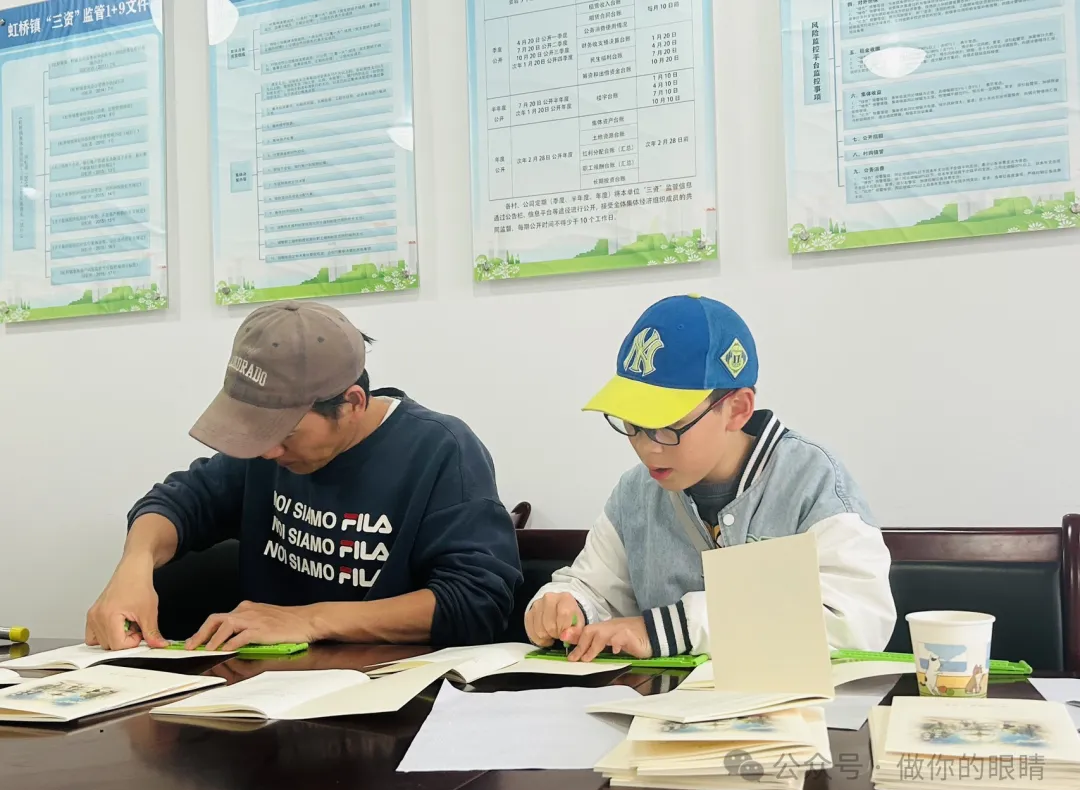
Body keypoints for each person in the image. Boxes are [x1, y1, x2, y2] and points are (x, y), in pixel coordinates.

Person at [86, 301, 522, 652]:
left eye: (285, 434)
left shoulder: (441, 450)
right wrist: (134, 566)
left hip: (389, 710)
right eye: (257, 433)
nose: (268, 451)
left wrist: (309, 619)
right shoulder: (263, 452)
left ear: (351, 402)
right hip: (265, 698)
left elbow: (476, 602)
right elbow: (177, 503)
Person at [524, 294, 896, 662]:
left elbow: (856, 623)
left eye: (667, 426)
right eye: (633, 424)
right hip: (661, 710)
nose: (647, 447)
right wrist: (566, 606)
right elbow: (596, 588)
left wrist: (671, 630)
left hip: (790, 713)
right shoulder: (635, 493)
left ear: (736, 409)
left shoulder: (812, 481)